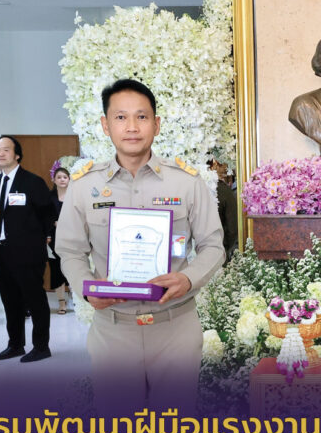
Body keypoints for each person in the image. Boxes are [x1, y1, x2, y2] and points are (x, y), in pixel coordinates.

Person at [57, 78, 225, 410]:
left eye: (142, 117)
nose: (132, 127)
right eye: (121, 117)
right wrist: (88, 289)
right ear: (105, 125)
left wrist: (187, 278)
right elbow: (70, 251)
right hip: (113, 331)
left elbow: (213, 245)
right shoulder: (84, 186)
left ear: (156, 124)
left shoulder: (187, 182)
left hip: (175, 328)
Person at [0, 136, 54, 362]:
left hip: (27, 252)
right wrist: (2, 215)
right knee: (10, 302)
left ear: (17, 154)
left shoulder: (32, 182)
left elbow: (47, 213)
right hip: (0, 252)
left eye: (6, 150)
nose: (0, 154)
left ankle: (41, 347)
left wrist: (35, 235)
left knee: (35, 300)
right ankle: (15, 345)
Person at [48, 166, 72, 314]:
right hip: (54, 238)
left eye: (65, 177)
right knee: (56, 269)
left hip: (73, 237)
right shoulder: (48, 197)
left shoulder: (75, 195)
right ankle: (62, 303)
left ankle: (76, 300)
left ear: (69, 179)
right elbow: (44, 217)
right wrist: (52, 225)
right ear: (54, 180)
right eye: (59, 177)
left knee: (73, 267)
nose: (62, 180)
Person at [208, 158, 238, 262]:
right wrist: (224, 247)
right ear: (214, 164)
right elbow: (232, 228)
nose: (226, 168)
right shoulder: (224, 190)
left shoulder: (189, 187)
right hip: (217, 251)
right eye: (223, 164)